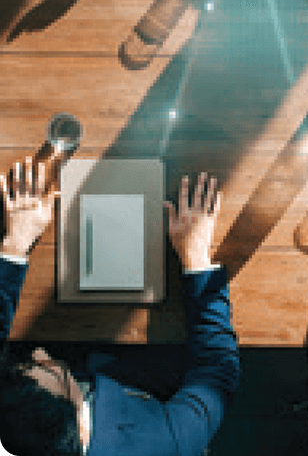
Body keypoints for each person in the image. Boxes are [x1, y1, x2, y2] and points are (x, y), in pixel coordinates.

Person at [0, 156, 240, 456]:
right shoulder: (167, 441)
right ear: (80, 420)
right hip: (146, 374)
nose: (40, 352)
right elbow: (218, 368)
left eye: (25, 366)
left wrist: (14, 245)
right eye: (50, 371)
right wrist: (196, 259)